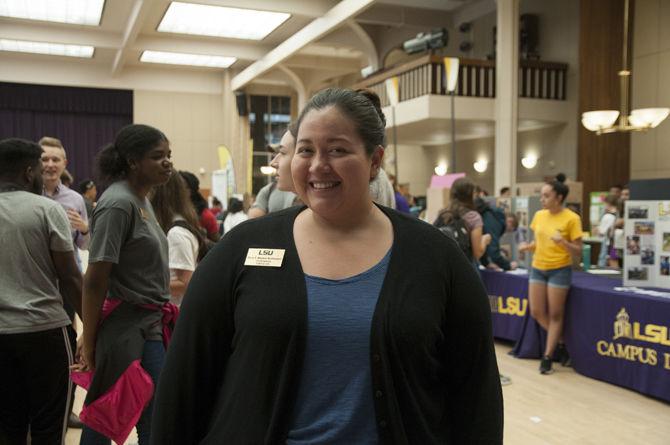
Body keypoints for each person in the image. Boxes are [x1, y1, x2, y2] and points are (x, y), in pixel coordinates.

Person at [151, 88, 503, 444]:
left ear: (375, 160)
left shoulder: (435, 257)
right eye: (306, 149)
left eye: (337, 149)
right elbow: (185, 381)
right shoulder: (241, 248)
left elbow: (476, 395)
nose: (318, 164)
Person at [71, 124, 177, 445]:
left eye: (169, 155)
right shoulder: (118, 203)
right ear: (132, 161)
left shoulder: (142, 200)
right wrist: (89, 339)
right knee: (107, 416)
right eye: (158, 156)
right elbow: (96, 279)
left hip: (150, 322)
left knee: (151, 411)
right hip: (125, 325)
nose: (168, 162)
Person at [0, 138, 82, 444]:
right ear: (28, 172)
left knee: (8, 427)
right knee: (49, 426)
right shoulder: (48, 209)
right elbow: (70, 276)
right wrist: (95, 329)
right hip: (43, 331)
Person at [519, 173, 583, 375]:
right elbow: (540, 242)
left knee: (556, 314)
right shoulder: (539, 216)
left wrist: (563, 243)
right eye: (542, 195)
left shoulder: (572, 218)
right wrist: (528, 247)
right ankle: (562, 343)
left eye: (546, 196)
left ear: (559, 198)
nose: (542, 199)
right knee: (537, 312)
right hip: (538, 267)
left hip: (559, 270)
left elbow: (578, 251)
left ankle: (547, 357)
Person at [150, 170, 205, 305]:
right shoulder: (175, 227)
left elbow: (184, 283)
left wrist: (145, 286)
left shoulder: (177, 234)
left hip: (176, 312)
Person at [434, 177, 492, 265]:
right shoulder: (473, 216)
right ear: (471, 194)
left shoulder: (443, 214)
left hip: (444, 266)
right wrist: (484, 240)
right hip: (464, 267)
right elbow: (477, 253)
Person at [476, 197, 517, 271]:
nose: (505, 233)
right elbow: (493, 252)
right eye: (509, 230)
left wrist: (486, 263)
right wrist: (508, 265)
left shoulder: (491, 215)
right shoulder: (496, 222)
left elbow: (485, 244)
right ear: (510, 221)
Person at [179, 170, 220, 242]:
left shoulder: (206, 216)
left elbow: (216, 244)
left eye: (181, 187)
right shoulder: (172, 211)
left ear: (190, 190)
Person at [595, 194, 619, 267]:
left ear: (607, 203)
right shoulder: (619, 214)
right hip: (617, 243)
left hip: (608, 244)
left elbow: (601, 232)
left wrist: (597, 229)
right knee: (615, 261)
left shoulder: (607, 216)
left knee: (605, 261)